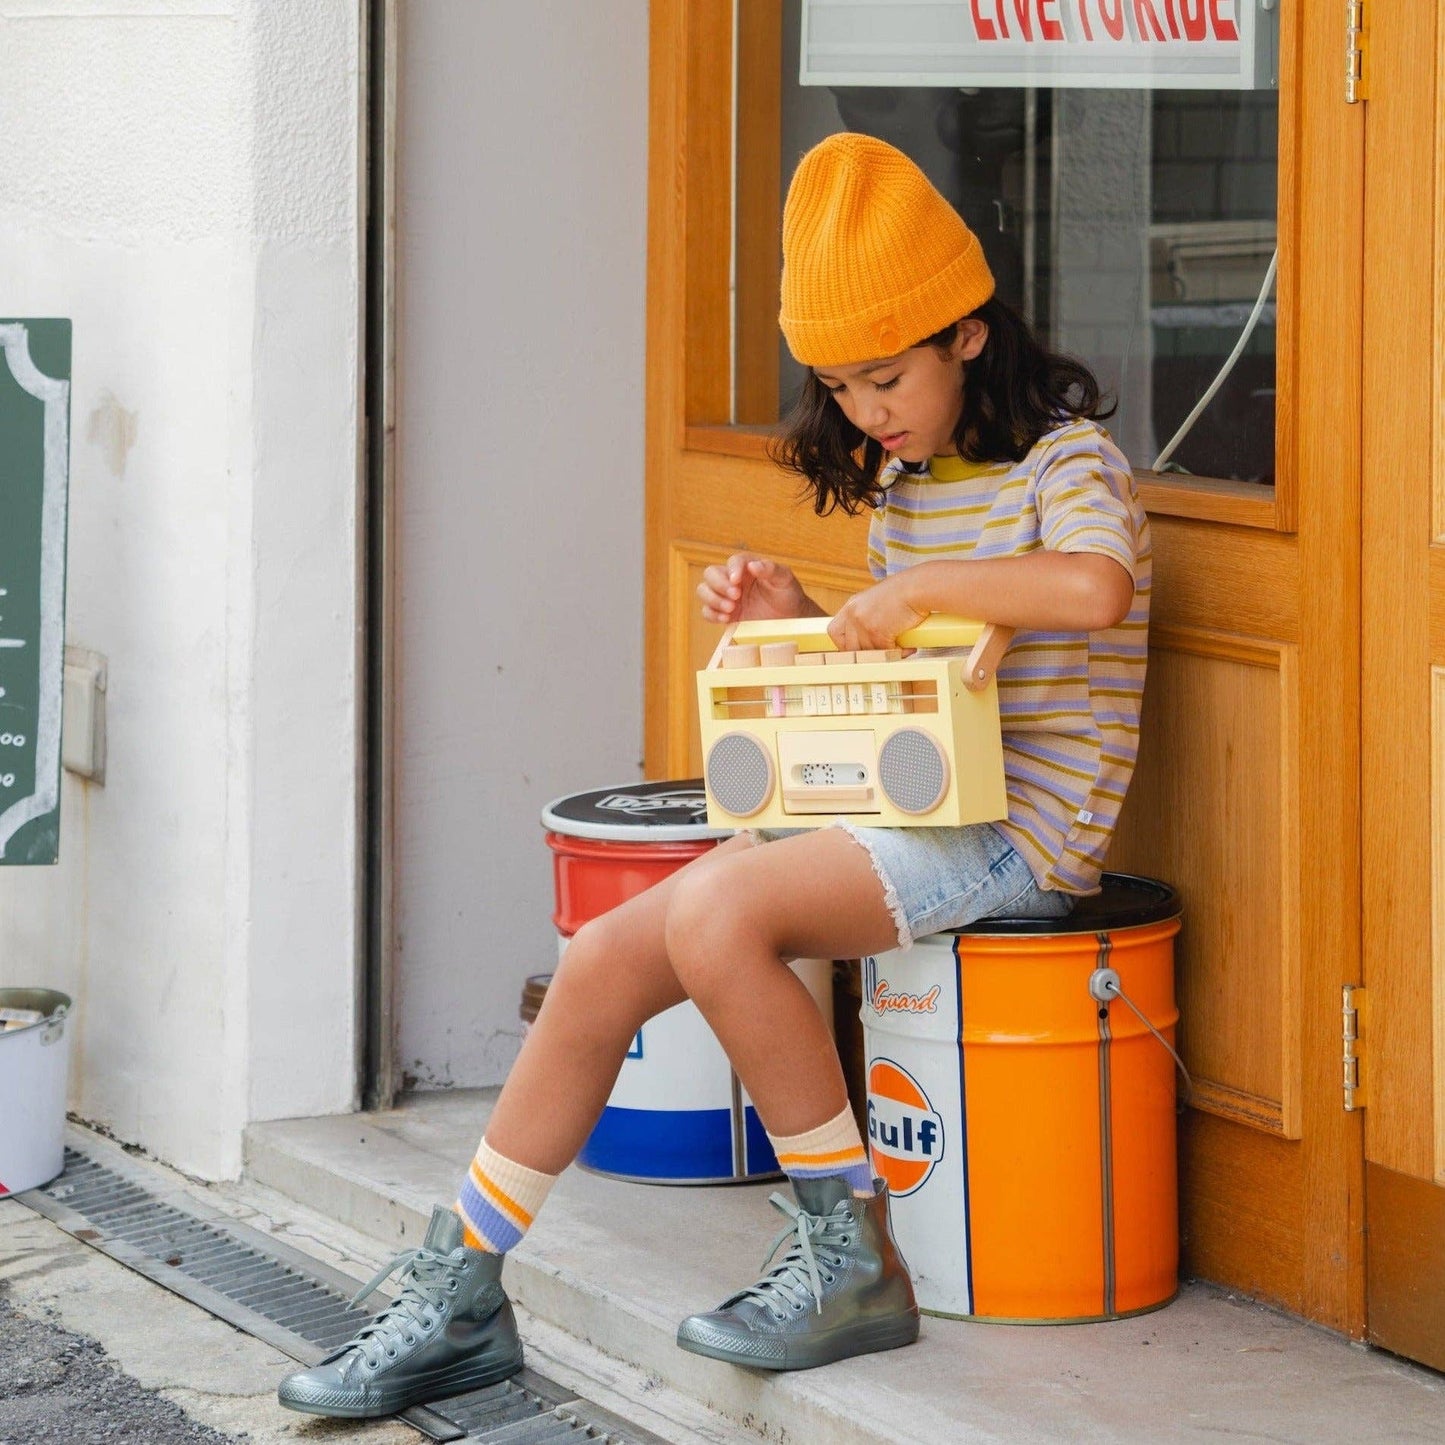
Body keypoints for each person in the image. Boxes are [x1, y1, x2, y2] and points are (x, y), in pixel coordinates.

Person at [276, 131, 1150, 1420]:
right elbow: (924, 667)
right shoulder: (912, 485)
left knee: (715, 909)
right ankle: (460, 1284)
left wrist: (914, 591)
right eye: (842, 389)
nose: (869, 413)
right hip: (916, 810)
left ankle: (849, 1254)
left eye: (888, 377)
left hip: (1020, 833)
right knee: (603, 956)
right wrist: (800, 614)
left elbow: (1093, 586)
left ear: (968, 333)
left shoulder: (1066, 464)